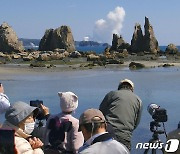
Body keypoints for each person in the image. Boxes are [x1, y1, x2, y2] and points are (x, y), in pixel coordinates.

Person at [99, 79, 143, 150]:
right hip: (125, 136)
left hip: (108, 133)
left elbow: (100, 114)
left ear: (119, 87)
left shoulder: (112, 94)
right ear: (132, 89)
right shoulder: (138, 100)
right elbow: (136, 122)